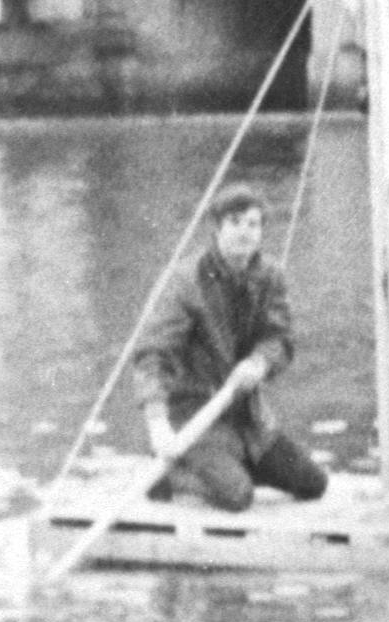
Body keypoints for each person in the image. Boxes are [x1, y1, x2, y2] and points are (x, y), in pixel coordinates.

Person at [132, 187, 328, 513]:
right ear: (218, 228)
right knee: (237, 497)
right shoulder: (186, 280)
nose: (245, 232)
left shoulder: (270, 276)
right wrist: (157, 420)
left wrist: (260, 362)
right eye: (235, 222)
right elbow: (153, 353)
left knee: (313, 483)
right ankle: (169, 475)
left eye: (253, 224)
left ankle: (227, 468)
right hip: (196, 420)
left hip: (249, 421)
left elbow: (281, 339)